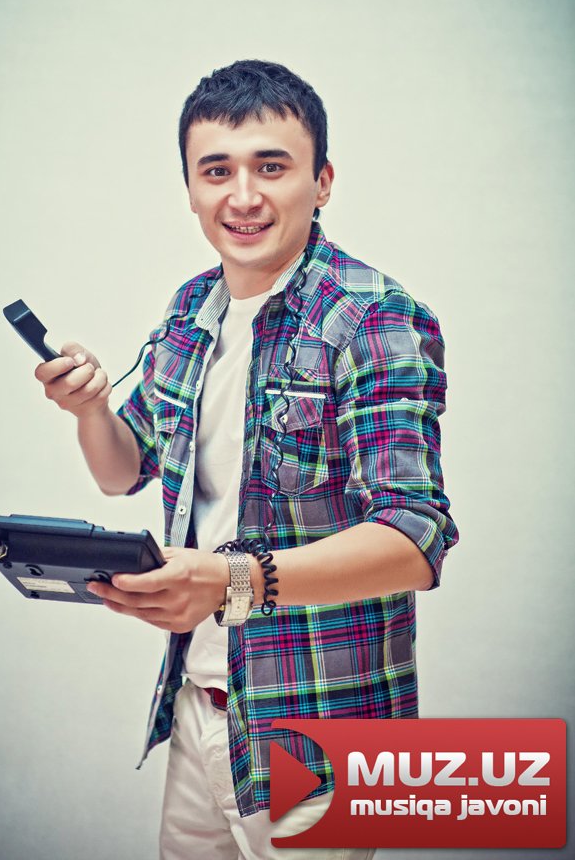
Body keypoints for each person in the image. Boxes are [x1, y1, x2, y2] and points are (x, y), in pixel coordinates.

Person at [35, 60, 458, 860]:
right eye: (216, 171)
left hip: (319, 725)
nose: (242, 196)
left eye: (271, 166)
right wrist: (89, 409)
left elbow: (414, 539)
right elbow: (122, 471)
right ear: (189, 191)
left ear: (321, 181)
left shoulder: (373, 317)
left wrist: (228, 580)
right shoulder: (191, 308)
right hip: (200, 704)